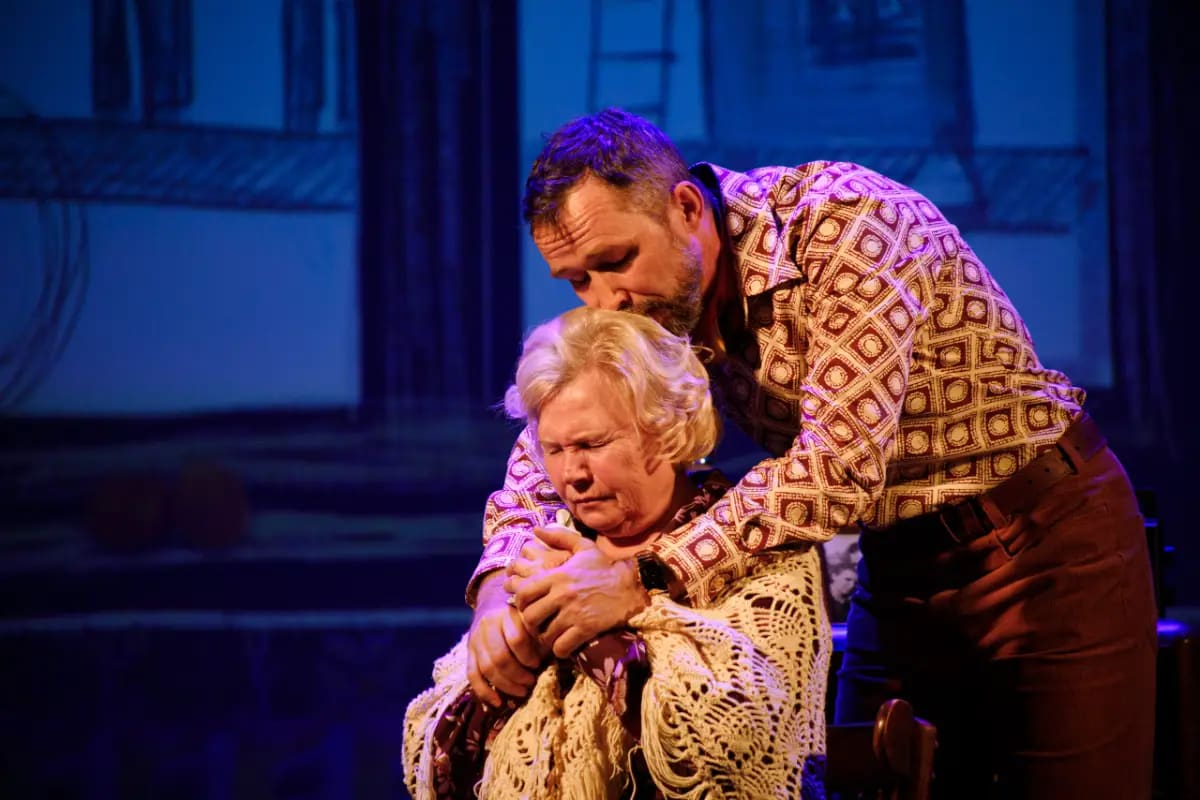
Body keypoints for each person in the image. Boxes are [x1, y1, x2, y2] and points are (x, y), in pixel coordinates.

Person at [466, 107, 1158, 799]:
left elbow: (835, 471)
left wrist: (642, 574)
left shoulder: (847, 224)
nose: (604, 302)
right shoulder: (650, 302)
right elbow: (555, 438)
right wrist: (500, 590)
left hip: (1042, 544)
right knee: (864, 780)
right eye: (577, 281)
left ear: (686, 208)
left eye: (616, 262)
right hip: (899, 562)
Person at [404, 307, 829, 799]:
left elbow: (741, 754)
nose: (573, 475)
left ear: (668, 431)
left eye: (593, 444)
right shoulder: (542, 555)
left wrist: (590, 632)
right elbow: (434, 757)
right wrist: (516, 647)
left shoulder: (763, 553)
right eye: (555, 450)